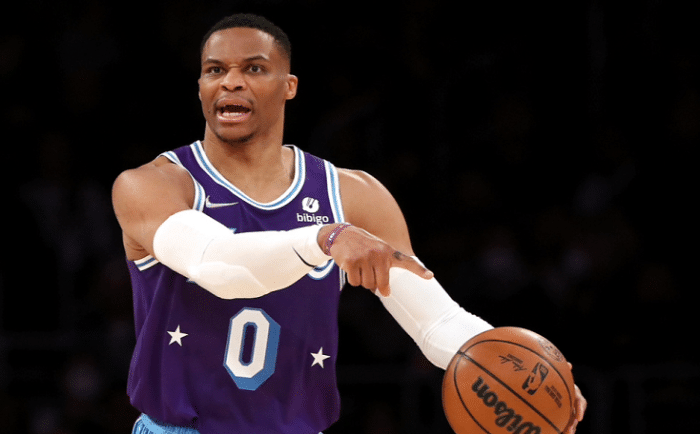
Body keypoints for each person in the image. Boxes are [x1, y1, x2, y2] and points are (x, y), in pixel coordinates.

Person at [112, 13, 586, 434]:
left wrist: (529, 376)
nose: (231, 82)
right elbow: (219, 266)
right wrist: (326, 237)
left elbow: (436, 321)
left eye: (253, 68)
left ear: (289, 85)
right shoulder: (151, 185)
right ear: (200, 86)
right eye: (215, 70)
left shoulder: (353, 196)